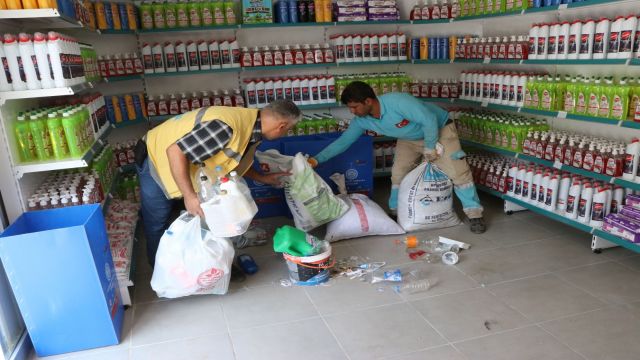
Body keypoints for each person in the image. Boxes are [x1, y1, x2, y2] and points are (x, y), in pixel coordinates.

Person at [134, 100, 301, 266]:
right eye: (288, 130)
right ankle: (161, 273)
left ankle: (192, 265)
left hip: (178, 160)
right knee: (158, 220)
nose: (286, 133)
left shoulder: (252, 127)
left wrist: (264, 178)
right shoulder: (226, 126)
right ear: (282, 125)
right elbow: (175, 151)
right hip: (155, 157)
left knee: (193, 216)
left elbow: (232, 160)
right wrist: (189, 196)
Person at [308, 81, 486, 234]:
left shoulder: (398, 102)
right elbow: (343, 142)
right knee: (398, 174)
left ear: (368, 101)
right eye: (350, 107)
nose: (352, 111)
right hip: (409, 138)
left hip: (439, 130)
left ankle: (475, 214)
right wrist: (316, 160)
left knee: (458, 172)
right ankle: (395, 210)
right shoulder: (362, 120)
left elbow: (429, 119)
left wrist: (430, 146)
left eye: (354, 107)